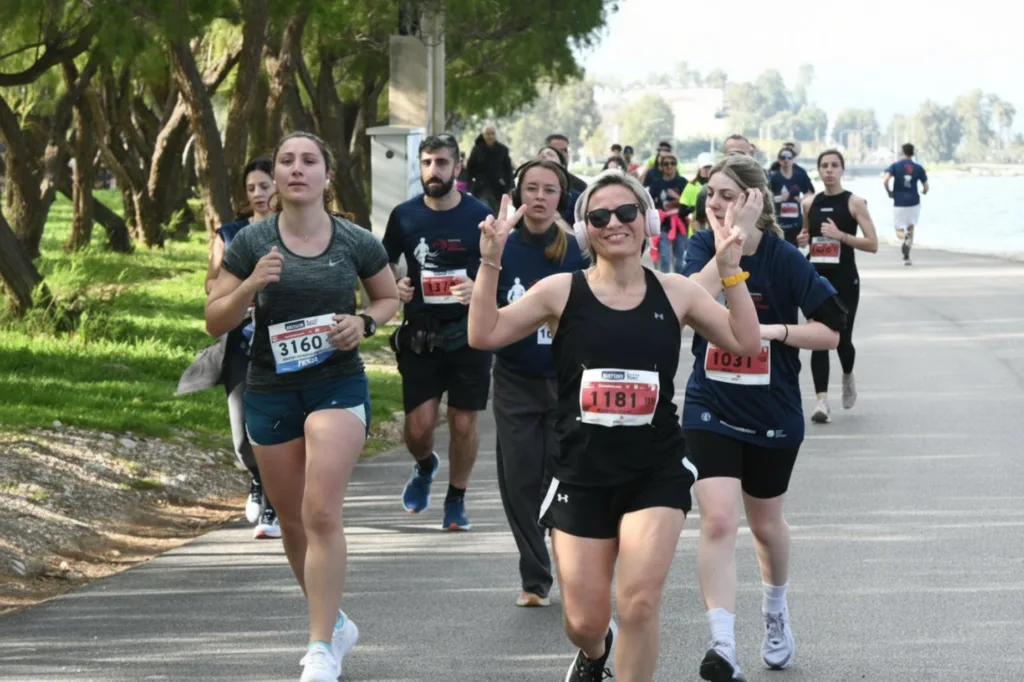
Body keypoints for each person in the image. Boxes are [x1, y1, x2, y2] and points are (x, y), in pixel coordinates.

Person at [468, 170, 763, 682]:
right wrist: (491, 258)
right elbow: (484, 333)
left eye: (626, 212)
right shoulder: (560, 291)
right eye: (599, 217)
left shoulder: (677, 293)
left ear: (647, 221)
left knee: (640, 604)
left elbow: (744, 341)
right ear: (585, 231)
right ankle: (594, 652)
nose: (614, 224)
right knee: (585, 621)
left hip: (656, 470)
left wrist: (731, 270)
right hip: (580, 473)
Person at [205, 131, 400, 682]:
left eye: (308, 160)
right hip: (269, 389)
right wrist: (250, 288)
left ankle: (319, 649)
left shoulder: (355, 241)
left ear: (326, 176)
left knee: (320, 512)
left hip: (336, 384)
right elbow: (215, 319)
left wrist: (363, 323)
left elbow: (385, 297)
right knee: (291, 523)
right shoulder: (251, 242)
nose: (296, 169)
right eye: (287, 160)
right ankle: (333, 623)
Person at [680, 152, 846, 682]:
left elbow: (833, 329)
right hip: (710, 404)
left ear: (754, 200)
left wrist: (776, 334)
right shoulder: (703, 247)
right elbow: (685, 302)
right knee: (720, 518)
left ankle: (775, 611)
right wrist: (726, 251)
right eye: (711, 195)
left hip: (772, 409)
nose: (716, 204)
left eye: (728, 195)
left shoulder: (782, 258)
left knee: (765, 525)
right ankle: (723, 644)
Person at [383, 133, 494, 531]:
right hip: (421, 335)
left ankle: (456, 499)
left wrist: (476, 285)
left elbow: (499, 266)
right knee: (419, 428)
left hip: (469, 334)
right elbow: (382, 265)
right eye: (427, 163)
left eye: (442, 163)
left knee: (464, 423)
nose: (434, 171)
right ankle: (425, 465)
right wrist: (394, 286)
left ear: (458, 166)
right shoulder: (404, 216)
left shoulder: (480, 215)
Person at [493, 159, 585, 608]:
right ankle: (535, 579)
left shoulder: (577, 251)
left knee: (564, 475)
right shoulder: (501, 248)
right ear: (519, 194)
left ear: (560, 198)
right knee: (520, 479)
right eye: (531, 188)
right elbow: (484, 309)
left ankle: (571, 562)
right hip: (514, 378)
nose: (540, 197)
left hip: (567, 381)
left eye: (550, 190)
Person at [203, 157, 280, 539]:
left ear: (278, 187)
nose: (258, 195)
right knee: (241, 437)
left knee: (272, 426)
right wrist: (243, 289)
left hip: (283, 343)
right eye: (251, 189)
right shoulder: (230, 234)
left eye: (264, 186)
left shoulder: (292, 232)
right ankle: (256, 479)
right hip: (240, 340)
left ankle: (272, 506)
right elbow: (210, 284)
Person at [798, 150, 878, 423]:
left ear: (843, 170)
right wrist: (803, 239)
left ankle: (847, 374)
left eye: (834, 166)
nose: (829, 170)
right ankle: (821, 402)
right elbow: (807, 236)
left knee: (843, 339)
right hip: (817, 278)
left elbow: (872, 244)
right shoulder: (810, 204)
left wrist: (840, 236)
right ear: (818, 171)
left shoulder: (854, 202)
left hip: (845, 278)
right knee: (817, 338)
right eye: (824, 166)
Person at [883, 143, 929, 266]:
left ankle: (904, 239)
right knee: (911, 226)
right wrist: (924, 191)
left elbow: (885, 179)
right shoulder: (918, 168)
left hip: (899, 202)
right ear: (913, 152)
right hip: (914, 202)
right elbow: (926, 187)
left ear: (903, 152)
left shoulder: (895, 166)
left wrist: (889, 192)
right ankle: (907, 255)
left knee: (898, 230)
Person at [644, 152, 688, 273]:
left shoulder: (683, 182)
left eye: (672, 163)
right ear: (661, 166)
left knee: (679, 260)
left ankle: (680, 283)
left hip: (680, 225)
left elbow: (689, 203)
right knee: (665, 259)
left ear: (676, 166)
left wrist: (679, 210)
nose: (669, 166)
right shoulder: (656, 184)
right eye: (666, 164)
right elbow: (650, 204)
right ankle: (664, 285)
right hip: (663, 226)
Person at [768, 146, 815, 245]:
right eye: (783, 157)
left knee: (793, 251)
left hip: (796, 223)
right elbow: (765, 198)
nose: (786, 160)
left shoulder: (800, 175)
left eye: (789, 157)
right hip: (779, 223)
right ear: (778, 160)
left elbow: (810, 192)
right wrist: (779, 198)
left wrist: (803, 199)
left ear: (793, 160)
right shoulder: (773, 177)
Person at [467, 124, 513, 212]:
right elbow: (470, 169)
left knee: (496, 213)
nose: (490, 137)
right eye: (487, 134)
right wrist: (469, 187)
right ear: (483, 135)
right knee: (484, 210)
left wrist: (508, 186)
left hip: (498, 188)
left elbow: (508, 170)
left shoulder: (503, 150)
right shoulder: (477, 150)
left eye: (492, 134)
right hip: (481, 187)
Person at [681, 152, 714, 235]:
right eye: (705, 167)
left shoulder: (717, 185)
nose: (707, 170)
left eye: (710, 167)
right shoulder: (691, 186)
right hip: (695, 229)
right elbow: (682, 211)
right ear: (700, 168)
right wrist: (694, 210)